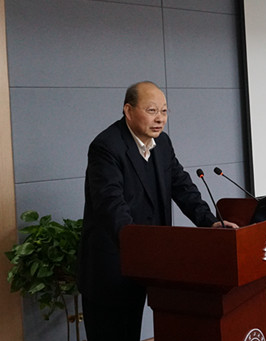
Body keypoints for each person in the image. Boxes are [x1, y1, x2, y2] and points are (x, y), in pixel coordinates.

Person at [77, 81, 237, 341]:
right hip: (112, 266)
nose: (160, 118)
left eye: (164, 111)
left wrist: (210, 223)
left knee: (132, 332)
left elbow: (183, 187)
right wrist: (139, 248)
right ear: (128, 111)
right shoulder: (106, 146)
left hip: (147, 265)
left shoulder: (162, 144)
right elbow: (111, 205)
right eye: (151, 110)